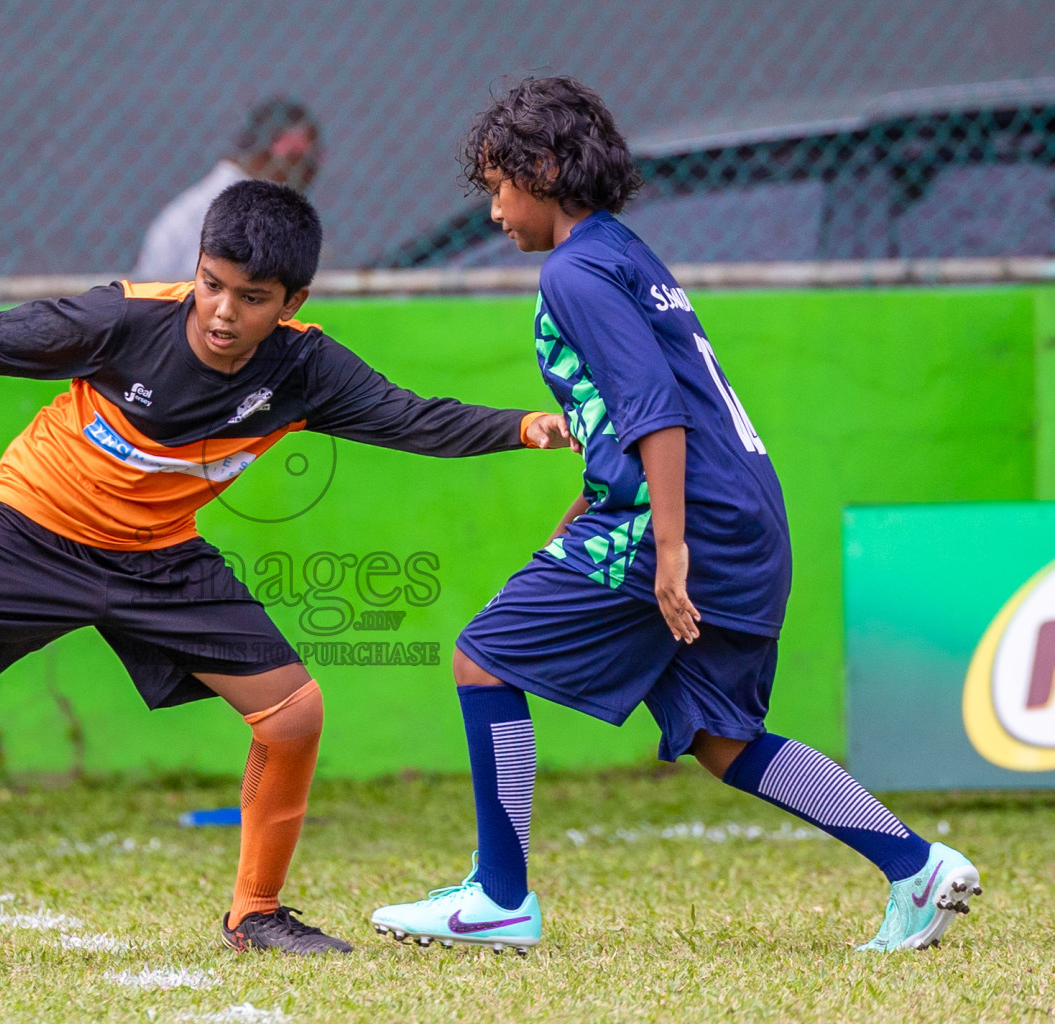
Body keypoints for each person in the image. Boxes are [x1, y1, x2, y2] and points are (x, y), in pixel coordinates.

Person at [0, 179, 575, 954]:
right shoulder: (122, 319)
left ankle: (255, 914)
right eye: (212, 285)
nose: (224, 312)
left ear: (291, 300)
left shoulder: (306, 369)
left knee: (293, 714)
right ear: (196, 270)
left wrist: (524, 426)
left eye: (252, 297)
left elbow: (411, 418)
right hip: (27, 527)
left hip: (156, 558)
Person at [369, 77, 982, 955]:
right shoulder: (624, 252)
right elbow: (629, 413)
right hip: (745, 519)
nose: (494, 210)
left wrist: (667, 548)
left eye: (499, 186)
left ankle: (499, 898)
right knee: (722, 739)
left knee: (483, 658)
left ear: (542, 170)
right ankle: (915, 867)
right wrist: (586, 510)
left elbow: (653, 406)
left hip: (686, 522)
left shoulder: (572, 271)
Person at [131, 98, 320, 282]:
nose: (313, 171)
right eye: (305, 158)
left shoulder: (202, 204)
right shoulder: (238, 210)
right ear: (272, 153)